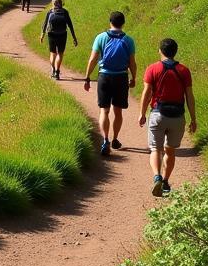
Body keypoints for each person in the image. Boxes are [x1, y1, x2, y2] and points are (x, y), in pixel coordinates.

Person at [138, 38, 196, 197]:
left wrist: (142, 113)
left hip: (158, 114)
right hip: (177, 116)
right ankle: (165, 181)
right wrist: (193, 119)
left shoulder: (152, 69)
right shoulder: (184, 70)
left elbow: (146, 93)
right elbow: (189, 96)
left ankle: (156, 176)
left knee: (155, 149)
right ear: (175, 52)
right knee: (170, 151)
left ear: (160, 51)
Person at [83, 11, 136, 156]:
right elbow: (132, 62)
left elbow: (93, 59)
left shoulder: (101, 37)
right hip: (121, 77)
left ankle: (105, 139)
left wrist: (87, 77)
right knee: (118, 111)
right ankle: (115, 139)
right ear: (123, 23)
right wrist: (133, 78)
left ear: (110, 22)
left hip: (104, 76)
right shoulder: (129, 40)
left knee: (104, 111)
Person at [39, 0, 77, 79]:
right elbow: (70, 25)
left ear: (53, 3)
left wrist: (42, 35)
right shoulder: (65, 12)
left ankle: (53, 69)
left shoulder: (50, 12)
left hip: (51, 34)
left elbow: (45, 24)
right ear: (61, 3)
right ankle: (57, 72)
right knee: (60, 53)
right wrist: (74, 38)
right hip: (62, 34)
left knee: (53, 53)